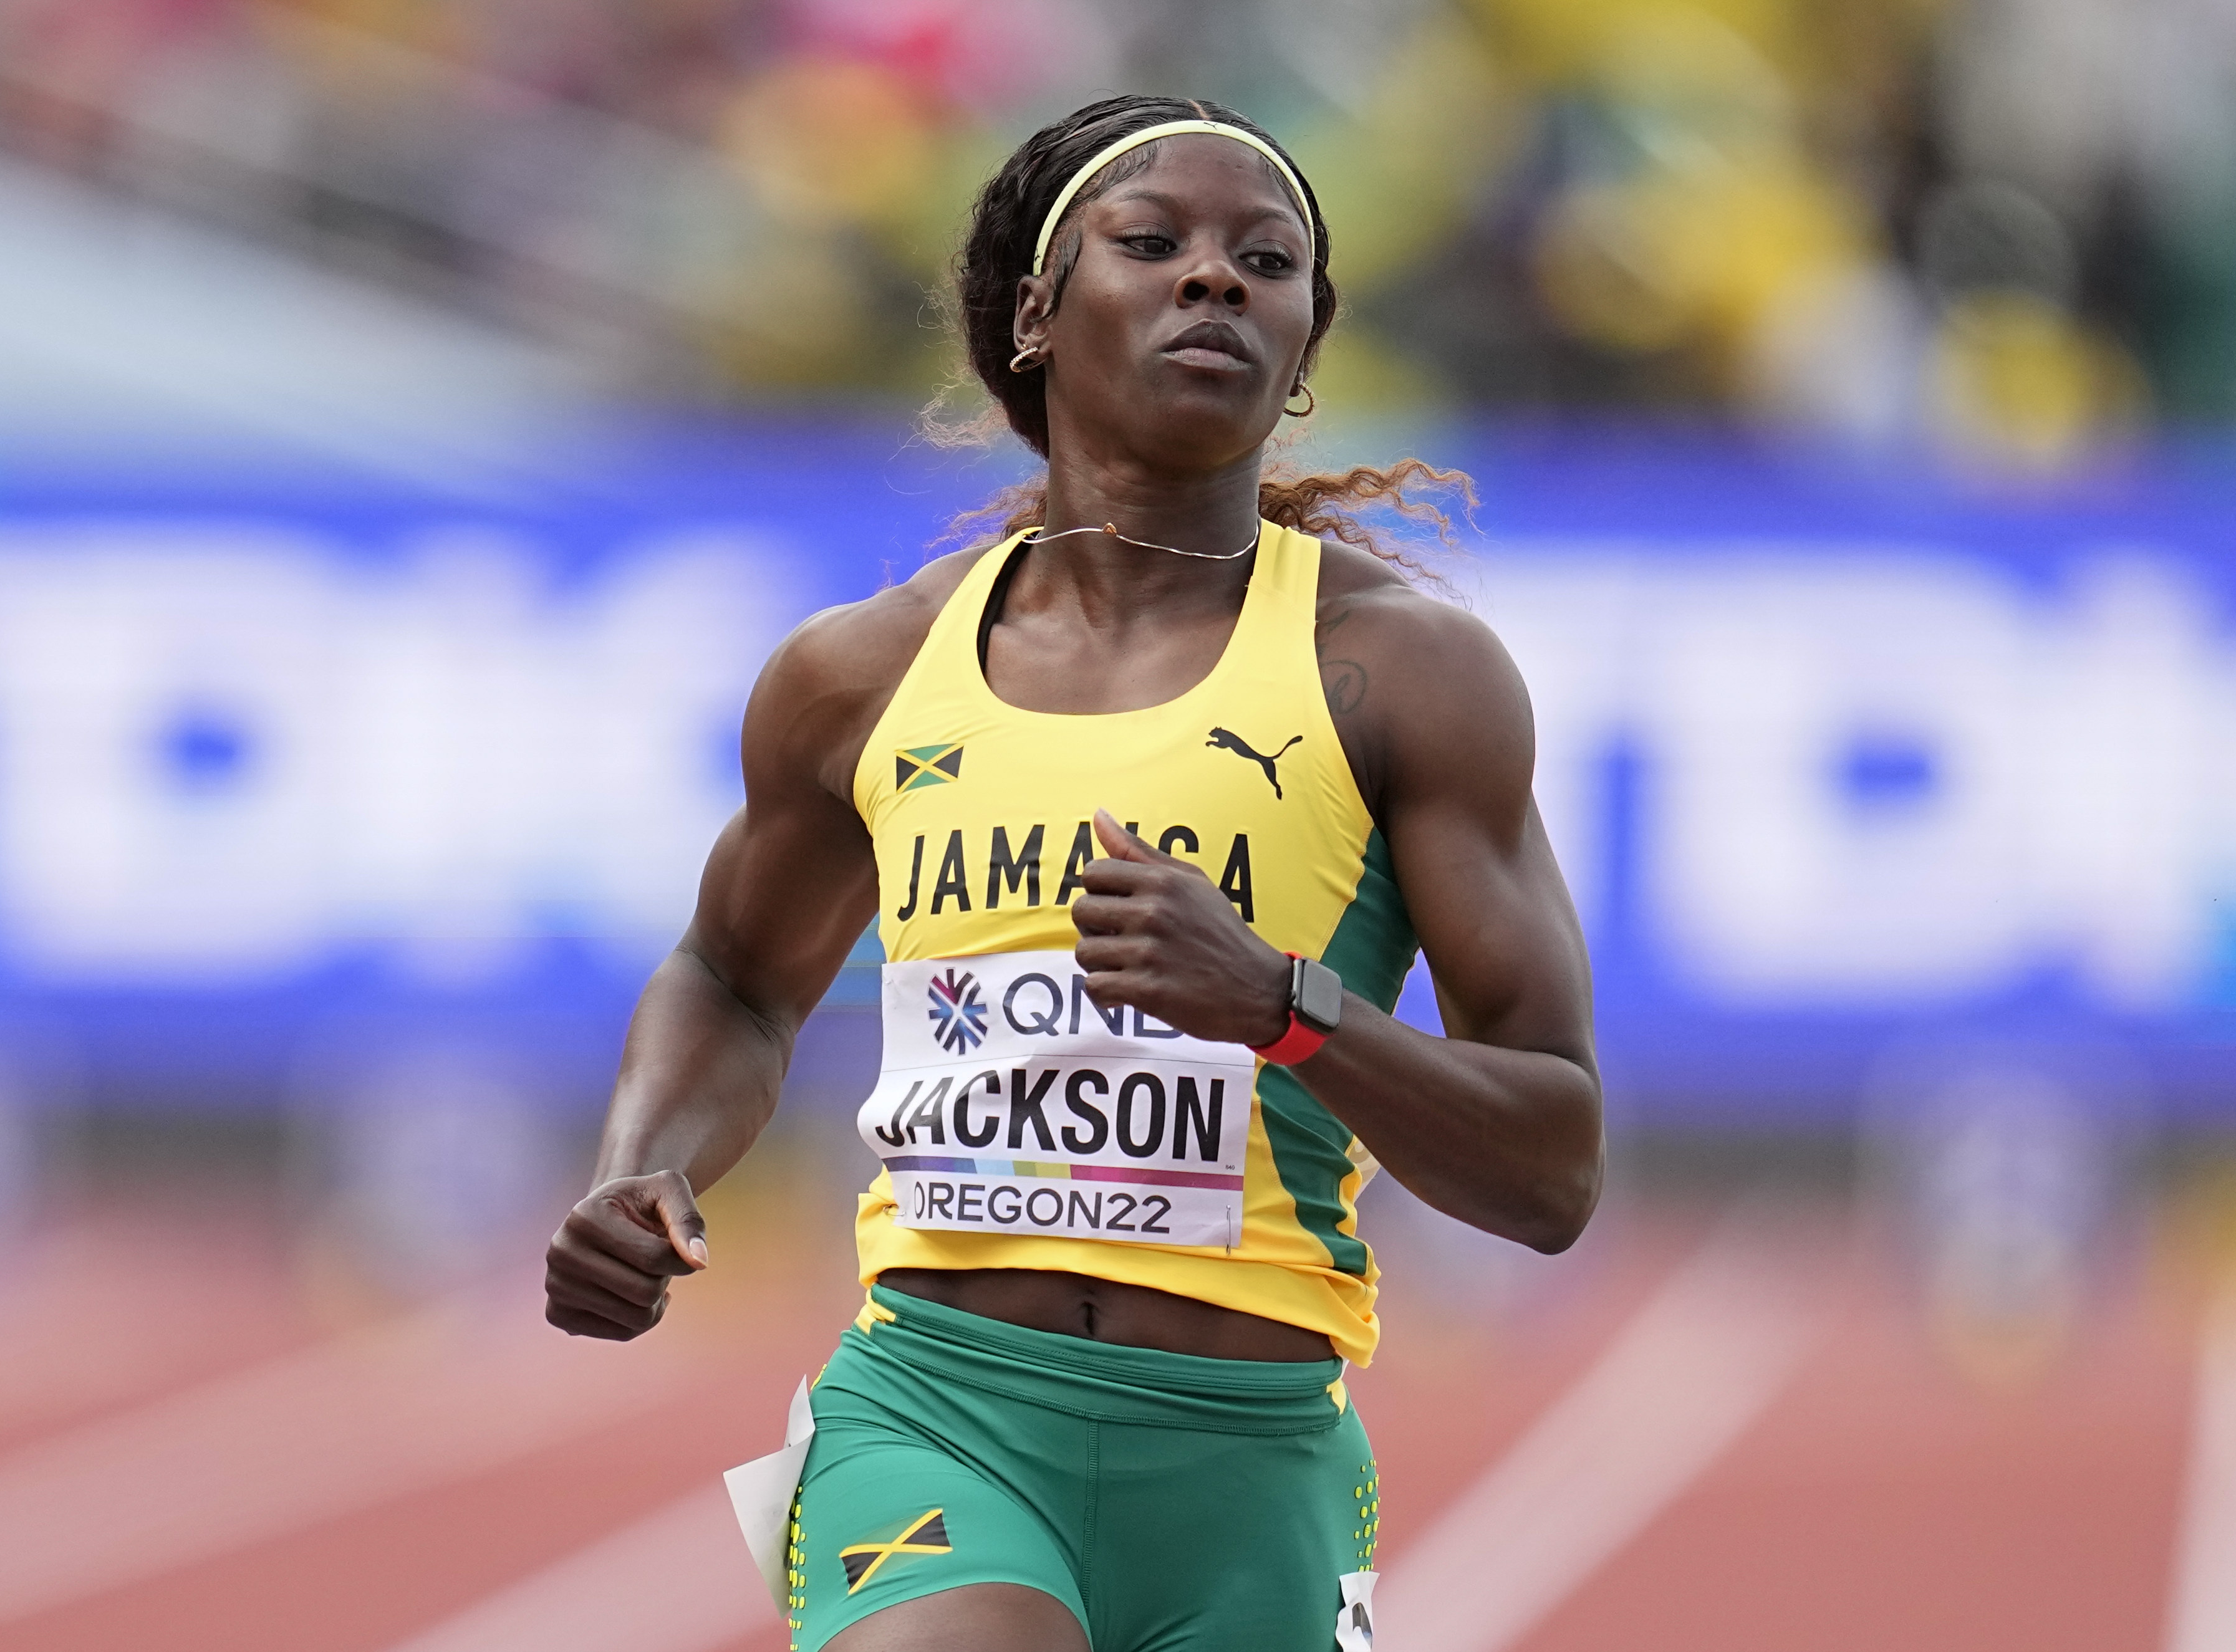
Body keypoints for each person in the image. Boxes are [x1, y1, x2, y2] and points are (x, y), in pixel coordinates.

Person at [542, 93, 1602, 1652]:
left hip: (1252, 1457)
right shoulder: (863, 675)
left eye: (1267, 260)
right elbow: (732, 975)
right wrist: (643, 1164)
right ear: (1037, 312)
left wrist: (1280, 1006)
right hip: (937, 1413)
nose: (1216, 280)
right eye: (1154, 242)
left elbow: (1552, 1166)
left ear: (1304, 349)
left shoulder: (1397, 673)